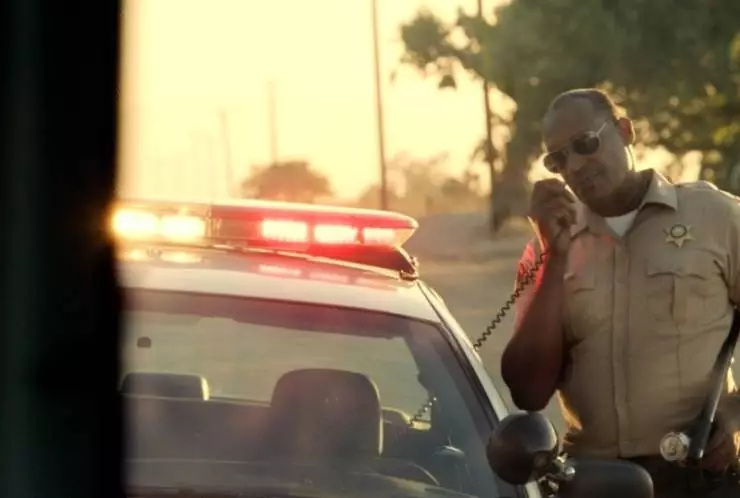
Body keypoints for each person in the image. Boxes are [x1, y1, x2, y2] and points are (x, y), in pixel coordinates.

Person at [501, 88, 740, 497]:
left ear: (625, 131)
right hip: (591, 481)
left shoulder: (714, 217)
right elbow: (529, 390)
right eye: (558, 159)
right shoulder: (549, 245)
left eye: (585, 144)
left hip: (700, 479)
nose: (575, 165)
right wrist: (554, 256)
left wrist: (733, 416)